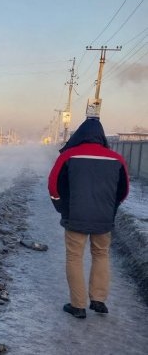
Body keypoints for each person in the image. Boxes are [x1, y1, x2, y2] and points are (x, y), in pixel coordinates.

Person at [47, 117, 129, 319]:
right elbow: (124, 191)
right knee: (101, 254)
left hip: (75, 216)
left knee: (75, 257)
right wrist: (111, 208)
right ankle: (99, 300)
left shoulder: (68, 156)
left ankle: (78, 305)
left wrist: (61, 208)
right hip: (103, 217)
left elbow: (53, 185)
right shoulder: (116, 159)